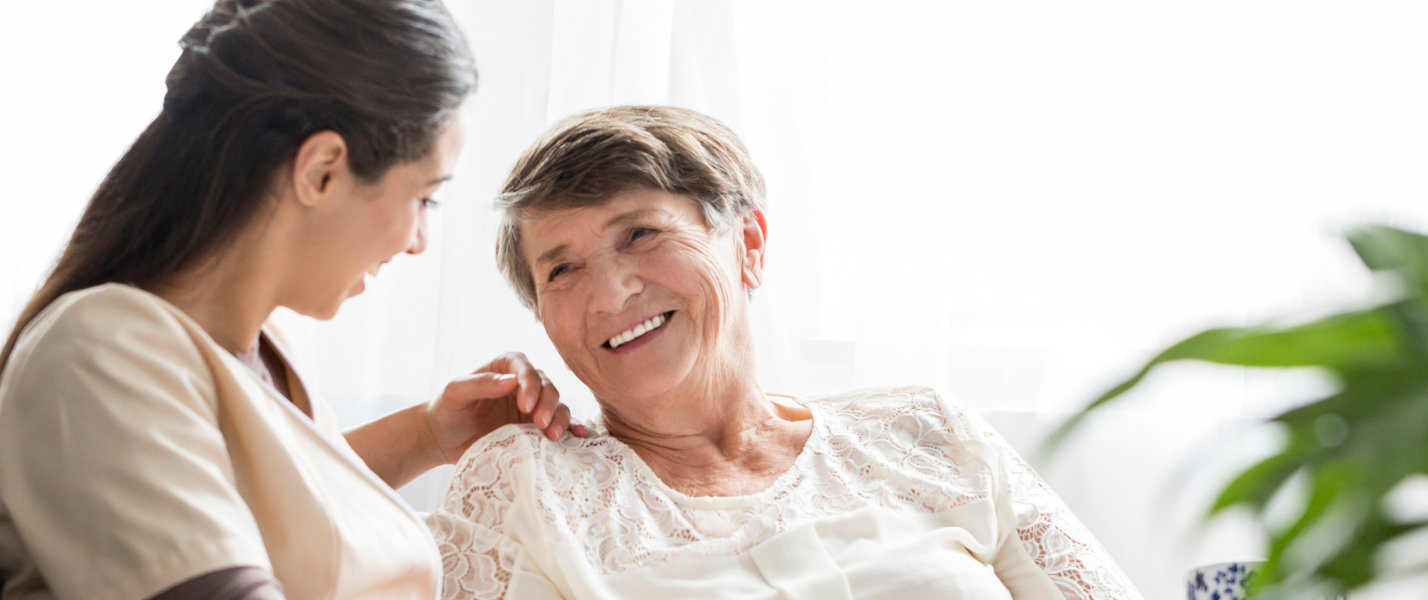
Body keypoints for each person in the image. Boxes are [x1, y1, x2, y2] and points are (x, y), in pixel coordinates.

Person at [0, 1, 585, 598]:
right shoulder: (103, 352)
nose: (417, 241)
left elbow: (277, 517)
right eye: (426, 197)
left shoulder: (259, 347)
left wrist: (426, 434)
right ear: (322, 171)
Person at [428, 106, 1143, 599]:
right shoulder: (525, 485)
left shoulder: (929, 431)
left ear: (749, 245)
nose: (612, 294)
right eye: (562, 269)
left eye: (640, 233)